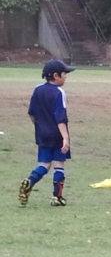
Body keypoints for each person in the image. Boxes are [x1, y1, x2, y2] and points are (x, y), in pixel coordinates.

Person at [18, 59, 76, 207]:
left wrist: (39, 126)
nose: (66, 77)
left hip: (42, 133)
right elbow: (60, 117)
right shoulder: (59, 92)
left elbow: (31, 113)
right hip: (57, 135)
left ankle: (30, 181)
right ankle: (57, 196)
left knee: (44, 164)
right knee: (59, 165)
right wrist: (65, 137)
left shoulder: (37, 90)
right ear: (56, 76)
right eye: (64, 74)